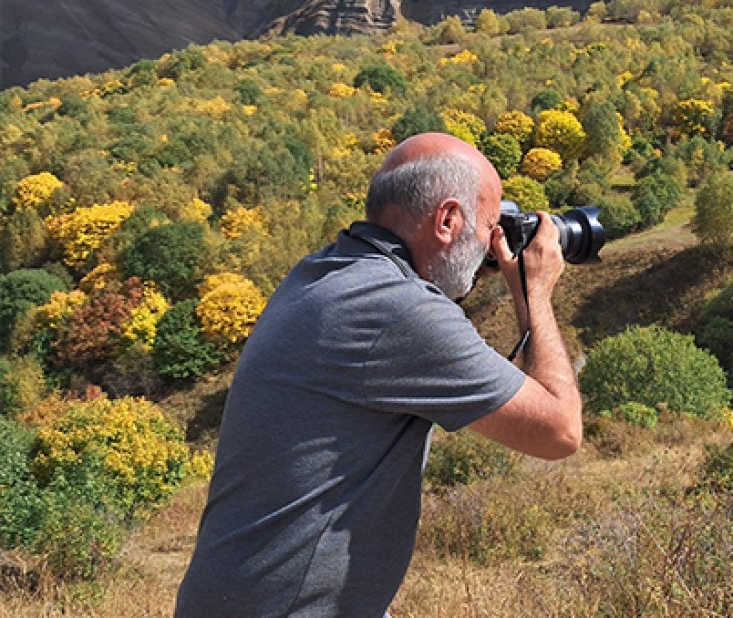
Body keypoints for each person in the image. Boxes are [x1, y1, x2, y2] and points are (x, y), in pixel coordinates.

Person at [174, 133, 582, 617]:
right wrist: (534, 292)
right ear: (448, 220)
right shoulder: (397, 309)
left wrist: (460, 269)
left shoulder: (324, 273)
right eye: (489, 227)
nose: (490, 244)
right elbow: (560, 431)